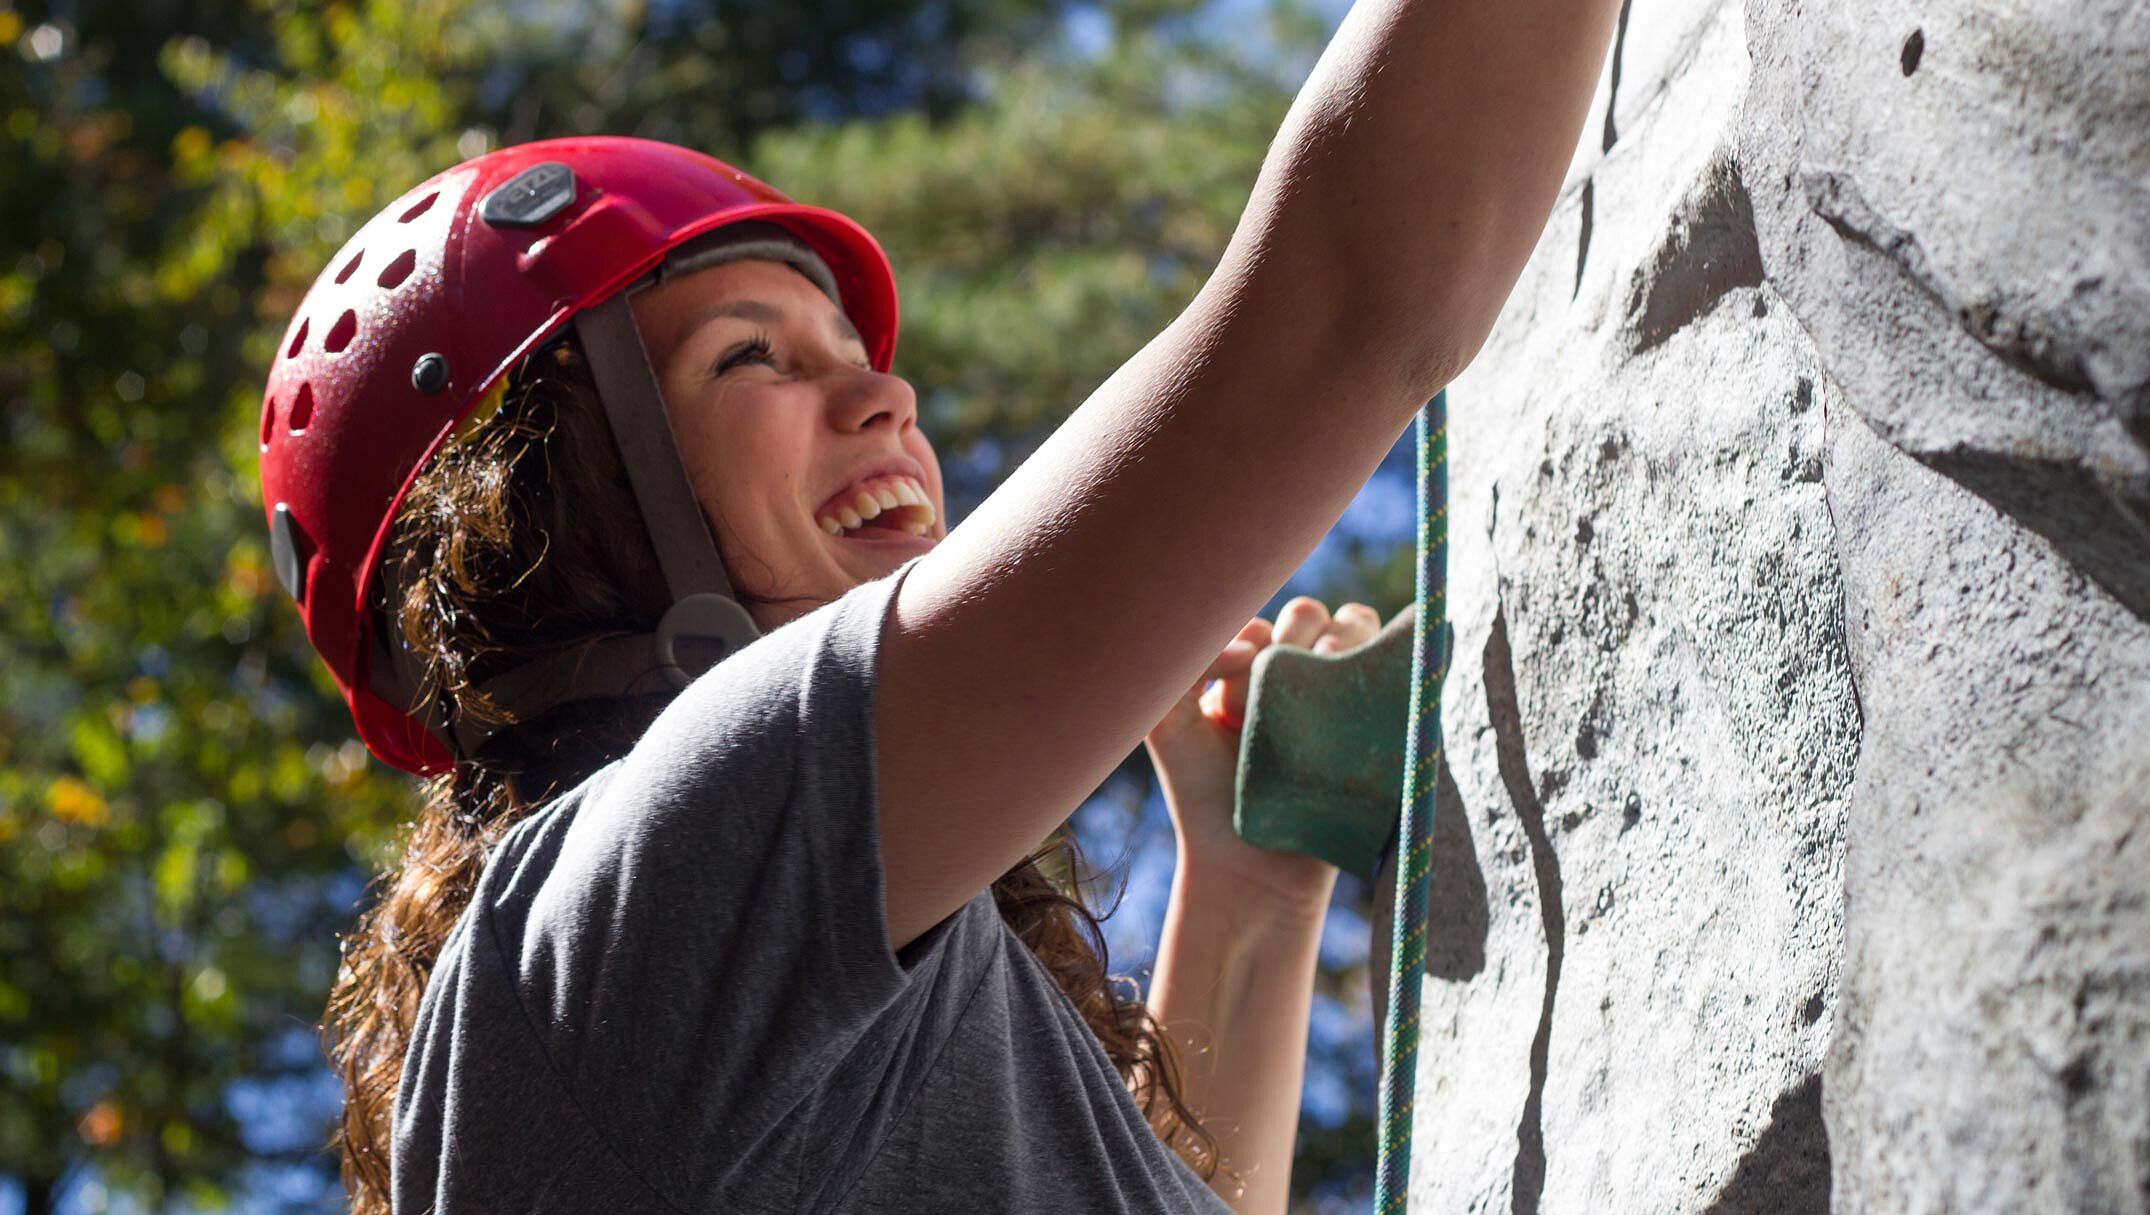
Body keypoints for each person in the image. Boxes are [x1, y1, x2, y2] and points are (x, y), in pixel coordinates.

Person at [259, 0, 1624, 1210]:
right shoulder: (632, 910)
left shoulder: (716, 1005)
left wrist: (1252, 893)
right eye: (753, 358)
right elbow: (1342, 308)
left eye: (854, 352)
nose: (887, 398)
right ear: (558, 513)